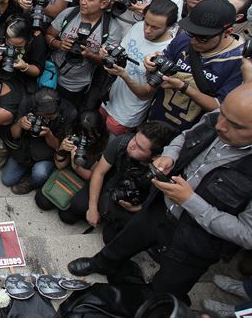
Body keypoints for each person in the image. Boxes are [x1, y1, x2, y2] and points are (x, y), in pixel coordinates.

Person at [67, 82, 252, 304]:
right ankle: (101, 263)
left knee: (166, 290)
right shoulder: (216, 119)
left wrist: (190, 201)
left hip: (196, 239)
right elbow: (183, 137)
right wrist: (170, 155)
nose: (221, 126)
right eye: (222, 114)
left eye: (236, 125)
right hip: (158, 208)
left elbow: (247, 234)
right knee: (124, 242)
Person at [144, 0, 243, 131]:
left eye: (203, 38)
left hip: (189, 135)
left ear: (227, 32)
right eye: (191, 33)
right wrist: (152, 65)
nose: (194, 41)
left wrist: (183, 87)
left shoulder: (239, 63)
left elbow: (220, 107)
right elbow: (156, 73)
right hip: (154, 122)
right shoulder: (184, 39)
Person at [73, 122, 177, 239]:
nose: (132, 145)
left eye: (140, 147)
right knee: (74, 209)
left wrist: (135, 208)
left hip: (131, 201)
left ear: (155, 156)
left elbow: (156, 204)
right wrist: (92, 208)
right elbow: (99, 172)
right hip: (110, 183)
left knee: (110, 236)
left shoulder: (162, 170)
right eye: (134, 139)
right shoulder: (121, 142)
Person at [100, 0, 177, 136]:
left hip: (126, 115)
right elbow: (119, 53)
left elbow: (145, 95)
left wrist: (123, 75)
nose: (147, 30)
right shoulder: (137, 27)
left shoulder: (168, 51)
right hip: (108, 100)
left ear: (169, 26)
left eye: (155, 27)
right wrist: (106, 52)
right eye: (146, 23)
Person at [45, 0, 122, 108]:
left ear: (103, 4)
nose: (83, 2)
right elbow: (48, 35)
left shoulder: (111, 29)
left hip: (75, 86)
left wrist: (89, 54)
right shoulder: (69, 13)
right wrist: (58, 44)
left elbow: (108, 62)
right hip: (50, 73)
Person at [2, 88, 76, 195]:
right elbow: (14, 135)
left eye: (50, 117)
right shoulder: (28, 102)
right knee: (7, 180)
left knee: (40, 174)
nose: (45, 120)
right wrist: (20, 123)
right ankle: (26, 168)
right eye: (42, 117)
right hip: (25, 148)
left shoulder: (69, 113)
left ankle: (32, 182)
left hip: (47, 154)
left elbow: (58, 147)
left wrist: (49, 135)